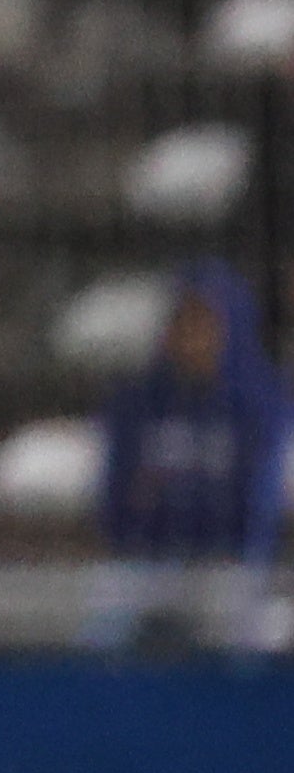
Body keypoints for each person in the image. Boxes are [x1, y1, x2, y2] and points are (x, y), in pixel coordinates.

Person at [86, 262, 290, 654]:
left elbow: (261, 502)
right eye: (183, 323)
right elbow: (116, 494)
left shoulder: (259, 404)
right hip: (149, 561)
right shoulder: (139, 402)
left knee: (241, 634)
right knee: (103, 625)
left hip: (228, 563)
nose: (192, 337)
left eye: (205, 323)